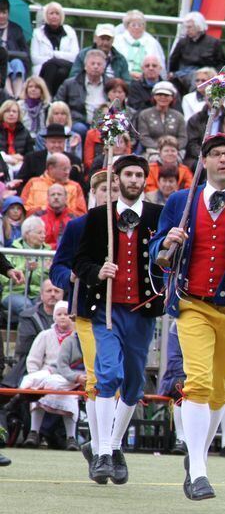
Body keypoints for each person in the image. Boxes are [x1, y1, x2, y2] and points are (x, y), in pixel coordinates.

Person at [151, 133, 225, 500]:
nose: (223, 161)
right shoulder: (181, 201)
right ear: (204, 161)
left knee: (221, 388)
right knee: (198, 382)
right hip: (192, 303)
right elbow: (155, 247)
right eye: (215, 154)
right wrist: (166, 242)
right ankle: (198, 466)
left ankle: (197, 457)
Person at [73, 155, 163, 483]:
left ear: (145, 180)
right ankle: (104, 451)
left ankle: (113, 445)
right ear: (118, 177)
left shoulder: (158, 215)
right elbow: (80, 261)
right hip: (106, 310)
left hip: (142, 311)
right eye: (129, 174)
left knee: (135, 382)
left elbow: (167, 259)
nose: (134, 180)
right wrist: (98, 271)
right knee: (108, 375)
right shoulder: (98, 218)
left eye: (140, 175)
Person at [50, 170, 117, 458]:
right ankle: (102, 445)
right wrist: (75, 276)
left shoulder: (129, 225)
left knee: (118, 379)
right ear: (94, 194)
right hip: (88, 310)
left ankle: (108, 441)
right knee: (96, 376)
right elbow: (58, 268)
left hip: (124, 311)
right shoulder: (79, 226)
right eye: (104, 191)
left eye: (114, 190)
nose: (109, 196)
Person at [18, 300, 78, 450]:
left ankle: (71, 437)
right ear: (54, 317)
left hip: (70, 376)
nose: (63, 317)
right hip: (46, 373)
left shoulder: (77, 338)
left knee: (67, 394)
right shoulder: (45, 335)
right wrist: (35, 374)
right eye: (59, 314)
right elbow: (33, 359)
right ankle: (34, 432)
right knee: (36, 386)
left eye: (66, 314)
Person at [1, 277, 60, 389]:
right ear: (41, 295)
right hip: (35, 362)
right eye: (49, 291)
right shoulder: (28, 316)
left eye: (56, 291)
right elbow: (25, 346)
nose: (53, 294)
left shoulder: (71, 316)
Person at [2, 215, 51, 318]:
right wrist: (24, 268)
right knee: (27, 306)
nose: (43, 236)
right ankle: (33, 333)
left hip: (38, 294)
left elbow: (51, 282)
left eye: (44, 232)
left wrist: (49, 270)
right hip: (13, 293)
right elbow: (3, 279)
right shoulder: (13, 250)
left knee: (46, 304)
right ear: (27, 234)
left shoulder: (49, 253)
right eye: (39, 233)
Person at [54, 49, 107, 137]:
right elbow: (57, 103)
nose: (96, 67)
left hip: (104, 123)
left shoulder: (110, 84)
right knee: (80, 129)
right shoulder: (70, 84)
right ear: (85, 66)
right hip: (78, 121)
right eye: (92, 63)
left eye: (99, 64)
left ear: (103, 67)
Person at [29, 2, 79, 93]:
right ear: (46, 16)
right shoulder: (37, 33)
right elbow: (35, 58)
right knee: (55, 69)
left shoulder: (70, 31)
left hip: (67, 65)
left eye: (57, 13)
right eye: (51, 13)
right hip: (44, 67)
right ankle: (52, 98)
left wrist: (55, 55)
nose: (54, 16)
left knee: (57, 68)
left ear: (61, 16)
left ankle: (48, 97)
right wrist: (53, 61)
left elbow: (75, 56)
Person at [168, 12, 225, 86]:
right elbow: (173, 61)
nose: (187, 30)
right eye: (186, 27)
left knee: (199, 78)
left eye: (190, 27)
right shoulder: (182, 43)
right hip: (185, 74)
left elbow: (221, 63)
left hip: (208, 74)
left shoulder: (214, 42)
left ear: (199, 27)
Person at [21, 153, 86, 217]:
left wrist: (62, 210)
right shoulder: (33, 183)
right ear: (51, 168)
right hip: (38, 225)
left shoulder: (75, 186)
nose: (68, 172)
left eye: (69, 169)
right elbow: (23, 210)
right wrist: (45, 209)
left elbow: (81, 214)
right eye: (64, 169)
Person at [135, 81, 186, 160]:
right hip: (152, 150)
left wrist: (171, 148)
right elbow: (144, 137)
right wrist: (161, 148)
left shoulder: (179, 116)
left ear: (172, 98)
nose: (163, 97)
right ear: (154, 97)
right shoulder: (144, 114)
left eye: (166, 95)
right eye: (159, 95)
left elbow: (183, 138)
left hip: (175, 150)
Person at [113, 10, 166, 81]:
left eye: (140, 25)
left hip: (146, 79)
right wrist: (128, 73)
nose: (137, 27)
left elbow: (159, 64)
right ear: (127, 26)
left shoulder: (152, 42)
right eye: (133, 25)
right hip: (122, 77)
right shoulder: (118, 40)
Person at [0, 0, 30, 98]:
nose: (1, 16)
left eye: (4, 12)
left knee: (17, 64)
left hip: (16, 60)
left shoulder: (16, 29)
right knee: (5, 66)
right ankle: (9, 95)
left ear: (8, 13)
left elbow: (25, 52)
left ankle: (17, 96)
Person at [1, 99, 32, 177]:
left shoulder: (25, 132)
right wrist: (10, 158)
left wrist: (23, 158)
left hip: (20, 164)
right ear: (2, 114)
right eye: (7, 111)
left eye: (14, 111)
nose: (11, 114)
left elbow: (31, 154)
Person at [19, 76, 51, 142]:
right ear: (26, 89)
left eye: (37, 87)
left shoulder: (48, 106)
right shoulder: (19, 105)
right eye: (30, 87)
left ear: (42, 90)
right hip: (24, 138)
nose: (33, 89)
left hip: (43, 138)